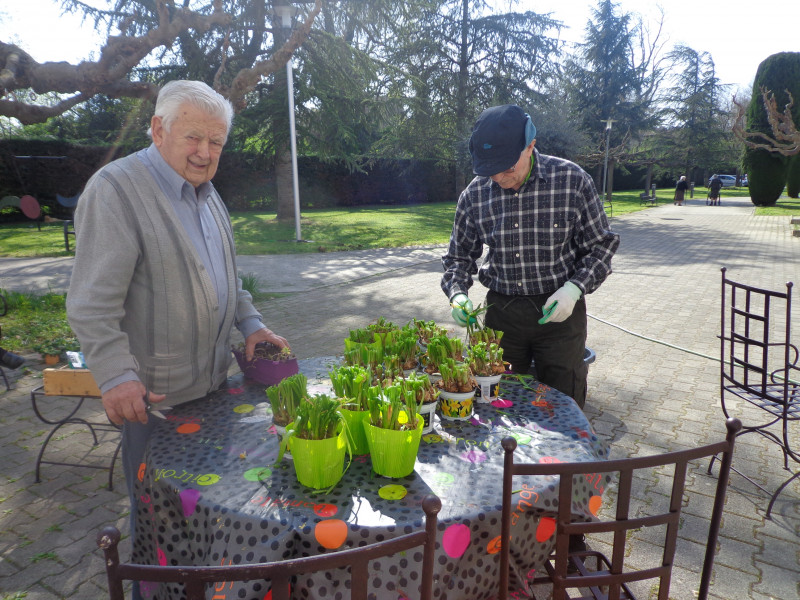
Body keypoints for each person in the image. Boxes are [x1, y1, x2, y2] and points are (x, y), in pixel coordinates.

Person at [66, 80, 288, 592]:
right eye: (193, 138)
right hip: (154, 405)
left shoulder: (210, 197)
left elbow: (228, 278)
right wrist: (116, 375)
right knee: (157, 524)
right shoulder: (116, 190)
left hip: (214, 394)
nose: (205, 153)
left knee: (208, 513)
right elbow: (91, 303)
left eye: (216, 143)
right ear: (158, 129)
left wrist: (251, 324)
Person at [442, 104, 619, 410]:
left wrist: (574, 288)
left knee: (563, 400)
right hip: (502, 314)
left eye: (507, 168)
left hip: (559, 312)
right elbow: (458, 257)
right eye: (490, 170)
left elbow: (601, 245)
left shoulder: (571, 181)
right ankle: (509, 459)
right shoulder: (475, 194)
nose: (499, 177)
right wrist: (457, 294)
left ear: (530, 146)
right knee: (499, 401)